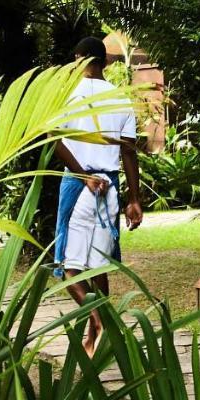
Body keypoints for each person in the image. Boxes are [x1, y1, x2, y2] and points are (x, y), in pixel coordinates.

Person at [54, 36, 145, 354]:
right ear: (105, 61)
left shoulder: (68, 95)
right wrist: (134, 198)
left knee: (67, 265)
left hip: (79, 185)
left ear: (79, 59)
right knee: (99, 266)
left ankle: (96, 321)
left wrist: (82, 176)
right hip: (110, 188)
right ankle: (96, 336)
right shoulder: (121, 98)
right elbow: (130, 151)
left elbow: (55, 140)